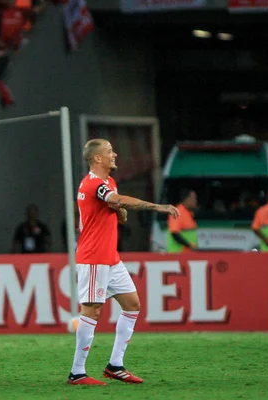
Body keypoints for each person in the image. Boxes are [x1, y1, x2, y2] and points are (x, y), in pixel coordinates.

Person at [68, 138, 179, 386]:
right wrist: (156, 207)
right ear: (97, 158)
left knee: (132, 304)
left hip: (110, 258)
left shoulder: (108, 182)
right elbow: (115, 200)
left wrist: (118, 210)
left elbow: (118, 212)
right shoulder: (94, 184)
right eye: (109, 151)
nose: (115, 154)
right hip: (94, 257)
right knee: (92, 311)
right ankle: (77, 372)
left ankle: (115, 365)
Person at [166, 188, 197, 252]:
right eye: (194, 198)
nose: (195, 201)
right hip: (177, 254)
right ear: (186, 199)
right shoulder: (177, 212)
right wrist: (189, 245)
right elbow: (174, 233)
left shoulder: (189, 213)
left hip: (187, 254)